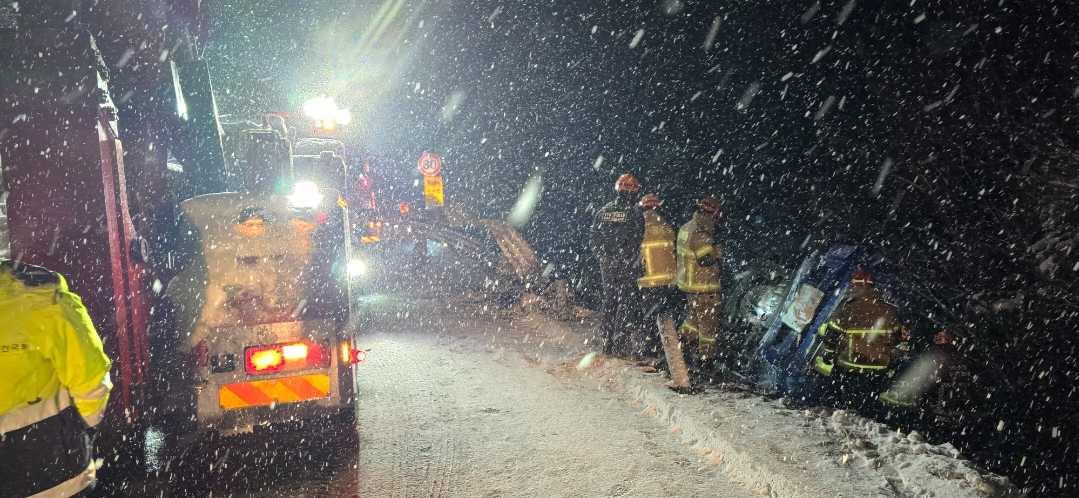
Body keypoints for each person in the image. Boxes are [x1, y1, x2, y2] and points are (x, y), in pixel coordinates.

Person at [0, 260, 112, 497]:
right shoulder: (39, 296)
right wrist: (82, 430)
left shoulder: (38, 297)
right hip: (60, 477)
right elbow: (92, 380)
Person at [812, 268, 901, 411]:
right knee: (865, 407)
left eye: (854, 285)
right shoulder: (890, 310)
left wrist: (828, 354)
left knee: (837, 404)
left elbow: (832, 334)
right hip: (878, 369)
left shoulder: (848, 307)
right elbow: (896, 339)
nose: (851, 288)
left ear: (863, 286)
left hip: (850, 365)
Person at [636, 193, 691, 390]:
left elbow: (637, 255)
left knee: (651, 319)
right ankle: (663, 354)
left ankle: (653, 353)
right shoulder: (667, 227)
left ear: (643, 208)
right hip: (668, 280)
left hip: (649, 281)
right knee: (665, 319)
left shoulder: (640, 227)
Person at [590, 173, 645, 357]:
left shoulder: (603, 212)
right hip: (626, 265)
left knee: (610, 302)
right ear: (633, 191)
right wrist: (628, 258)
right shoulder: (635, 213)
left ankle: (607, 344)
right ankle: (620, 344)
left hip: (608, 266)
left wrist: (605, 258)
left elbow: (594, 240)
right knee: (626, 302)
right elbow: (638, 238)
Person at [676, 197, 723, 376]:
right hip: (704, 287)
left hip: (690, 285)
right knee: (708, 327)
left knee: (694, 320)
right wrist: (718, 251)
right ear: (711, 213)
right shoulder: (700, 232)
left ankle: (680, 344)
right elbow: (706, 259)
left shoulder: (687, 227)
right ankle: (706, 361)